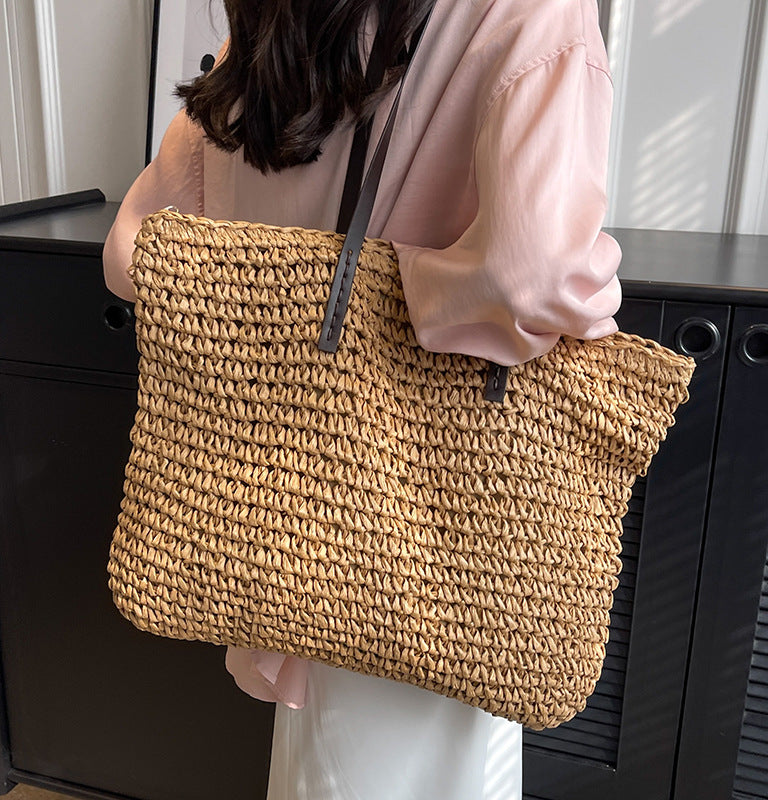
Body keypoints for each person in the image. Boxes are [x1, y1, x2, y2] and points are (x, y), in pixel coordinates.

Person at [103, 0, 622, 797]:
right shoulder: (530, 11)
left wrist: (300, 295)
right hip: (443, 524)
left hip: (289, 509)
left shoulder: (275, 23)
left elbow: (130, 253)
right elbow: (530, 278)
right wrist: (401, 297)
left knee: (327, 767)